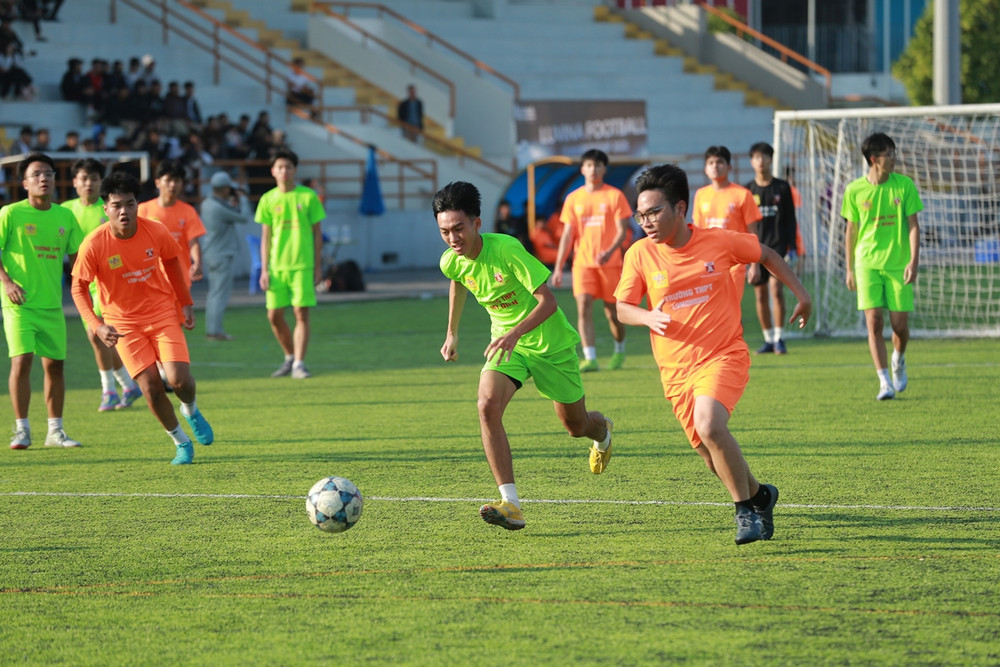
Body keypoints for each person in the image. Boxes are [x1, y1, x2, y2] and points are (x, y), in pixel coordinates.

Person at [614, 163, 811, 545]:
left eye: (654, 212)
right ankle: (761, 496)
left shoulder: (719, 242)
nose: (646, 222)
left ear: (680, 208)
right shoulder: (639, 254)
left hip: (723, 355)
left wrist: (802, 295)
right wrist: (646, 316)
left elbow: (766, 254)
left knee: (709, 424)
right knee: (709, 454)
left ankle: (744, 512)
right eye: (641, 215)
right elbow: (623, 308)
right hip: (675, 371)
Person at [435, 181, 614, 531]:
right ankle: (511, 504)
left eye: (459, 228)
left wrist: (515, 333)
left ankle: (602, 432)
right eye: (444, 232)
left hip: (550, 345)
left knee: (575, 426)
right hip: (506, 347)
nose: (453, 238)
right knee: (487, 406)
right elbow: (458, 279)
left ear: (477, 223)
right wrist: (452, 332)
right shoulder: (450, 261)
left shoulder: (507, 249)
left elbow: (549, 302)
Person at [70, 172, 214, 465]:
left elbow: (172, 262)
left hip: (162, 314)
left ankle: (190, 409)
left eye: (130, 203)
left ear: (137, 204)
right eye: (117, 205)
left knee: (180, 380)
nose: (124, 211)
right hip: (124, 325)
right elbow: (78, 288)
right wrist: (97, 326)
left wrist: (186, 303)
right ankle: (181, 442)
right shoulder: (94, 243)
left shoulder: (155, 231)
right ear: (105, 209)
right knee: (150, 387)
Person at [0, 153, 84, 449]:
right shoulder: (10, 213)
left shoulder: (65, 217)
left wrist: (87, 289)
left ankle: (55, 432)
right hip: (19, 304)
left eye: (48, 173)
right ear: (24, 183)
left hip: (52, 305)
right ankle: (22, 429)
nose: (43, 178)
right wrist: (7, 282)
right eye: (36, 174)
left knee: (55, 367)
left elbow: (77, 260)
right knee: (22, 361)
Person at [842, 132, 922, 401]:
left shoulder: (904, 186)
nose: (894, 158)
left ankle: (898, 358)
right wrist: (850, 268)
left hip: (898, 264)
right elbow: (851, 231)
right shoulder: (854, 190)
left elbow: (913, 226)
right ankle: (884, 381)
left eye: (894, 153)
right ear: (874, 159)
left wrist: (913, 260)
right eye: (889, 154)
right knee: (873, 322)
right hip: (866, 264)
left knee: (899, 326)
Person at [62, 157, 143, 411]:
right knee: (100, 338)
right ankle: (127, 385)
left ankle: (109, 390)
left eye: (94, 179)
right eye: (84, 178)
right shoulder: (66, 210)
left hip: (107, 282)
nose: (89, 183)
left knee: (94, 332)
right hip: (83, 282)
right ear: (75, 182)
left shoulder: (109, 208)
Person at [551, 149, 631, 372]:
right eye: (589, 165)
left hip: (610, 264)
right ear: (582, 169)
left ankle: (619, 351)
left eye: (597, 165)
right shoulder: (573, 198)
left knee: (613, 313)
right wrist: (558, 267)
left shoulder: (615, 196)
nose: (593, 169)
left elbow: (622, 231)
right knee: (583, 308)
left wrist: (609, 251)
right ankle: (590, 358)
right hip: (582, 264)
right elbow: (567, 235)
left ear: (604, 169)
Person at [255, 148, 325, 379]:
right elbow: (266, 237)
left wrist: (317, 267)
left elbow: (317, 234)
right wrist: (264, 269)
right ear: (273, 171)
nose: (284, 171)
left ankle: (299, 364)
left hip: (302, 265)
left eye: (288, 167)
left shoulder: (308, 197)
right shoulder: (267, 199)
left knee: (300, 314)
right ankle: (290, 357)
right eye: (280, 167)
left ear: (295, 170)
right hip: (276, 267)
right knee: (273, 315)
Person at [745, 142, 798, 354]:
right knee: (760, 294)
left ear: (771, 159)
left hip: (778, 248)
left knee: (776, 290)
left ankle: (779, 338)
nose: (761, 161)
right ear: (751, 161)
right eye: (757, 157)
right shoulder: (747, 190)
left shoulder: (782, 187)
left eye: (765, 157)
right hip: (755, 249)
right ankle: (768, 339)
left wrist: (792, 247)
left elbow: (790, 220)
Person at [691, 145, 762, 303]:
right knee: (711, 308)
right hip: (708, 262)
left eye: (720, 162)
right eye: (711, 163)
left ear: (729, 166)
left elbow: (752, 233)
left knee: (731, 306)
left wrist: (755, 265)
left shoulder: (742, 194)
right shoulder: (701, 194)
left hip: (734, 262)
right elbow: (697, 230)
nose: (715, 166)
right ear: (705, 169)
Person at [138, 159, 205, 289]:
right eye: (168, 180)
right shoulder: (143, 210)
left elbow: (193, 242)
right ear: (158, 182)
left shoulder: (188, 211)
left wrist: (197, 262)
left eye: (177, 180)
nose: (173, 185)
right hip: (151, 279)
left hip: (180, 278)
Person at [200, 170, 249, 341]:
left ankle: (213, 330)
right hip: (221, 254)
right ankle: (215, 332)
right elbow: (243, 217)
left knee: (214, 294)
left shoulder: (208, 203)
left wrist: (231, 202)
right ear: (225, 188)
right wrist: (243, 199)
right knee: (219, 294)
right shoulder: (217, 207)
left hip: (213, 253)